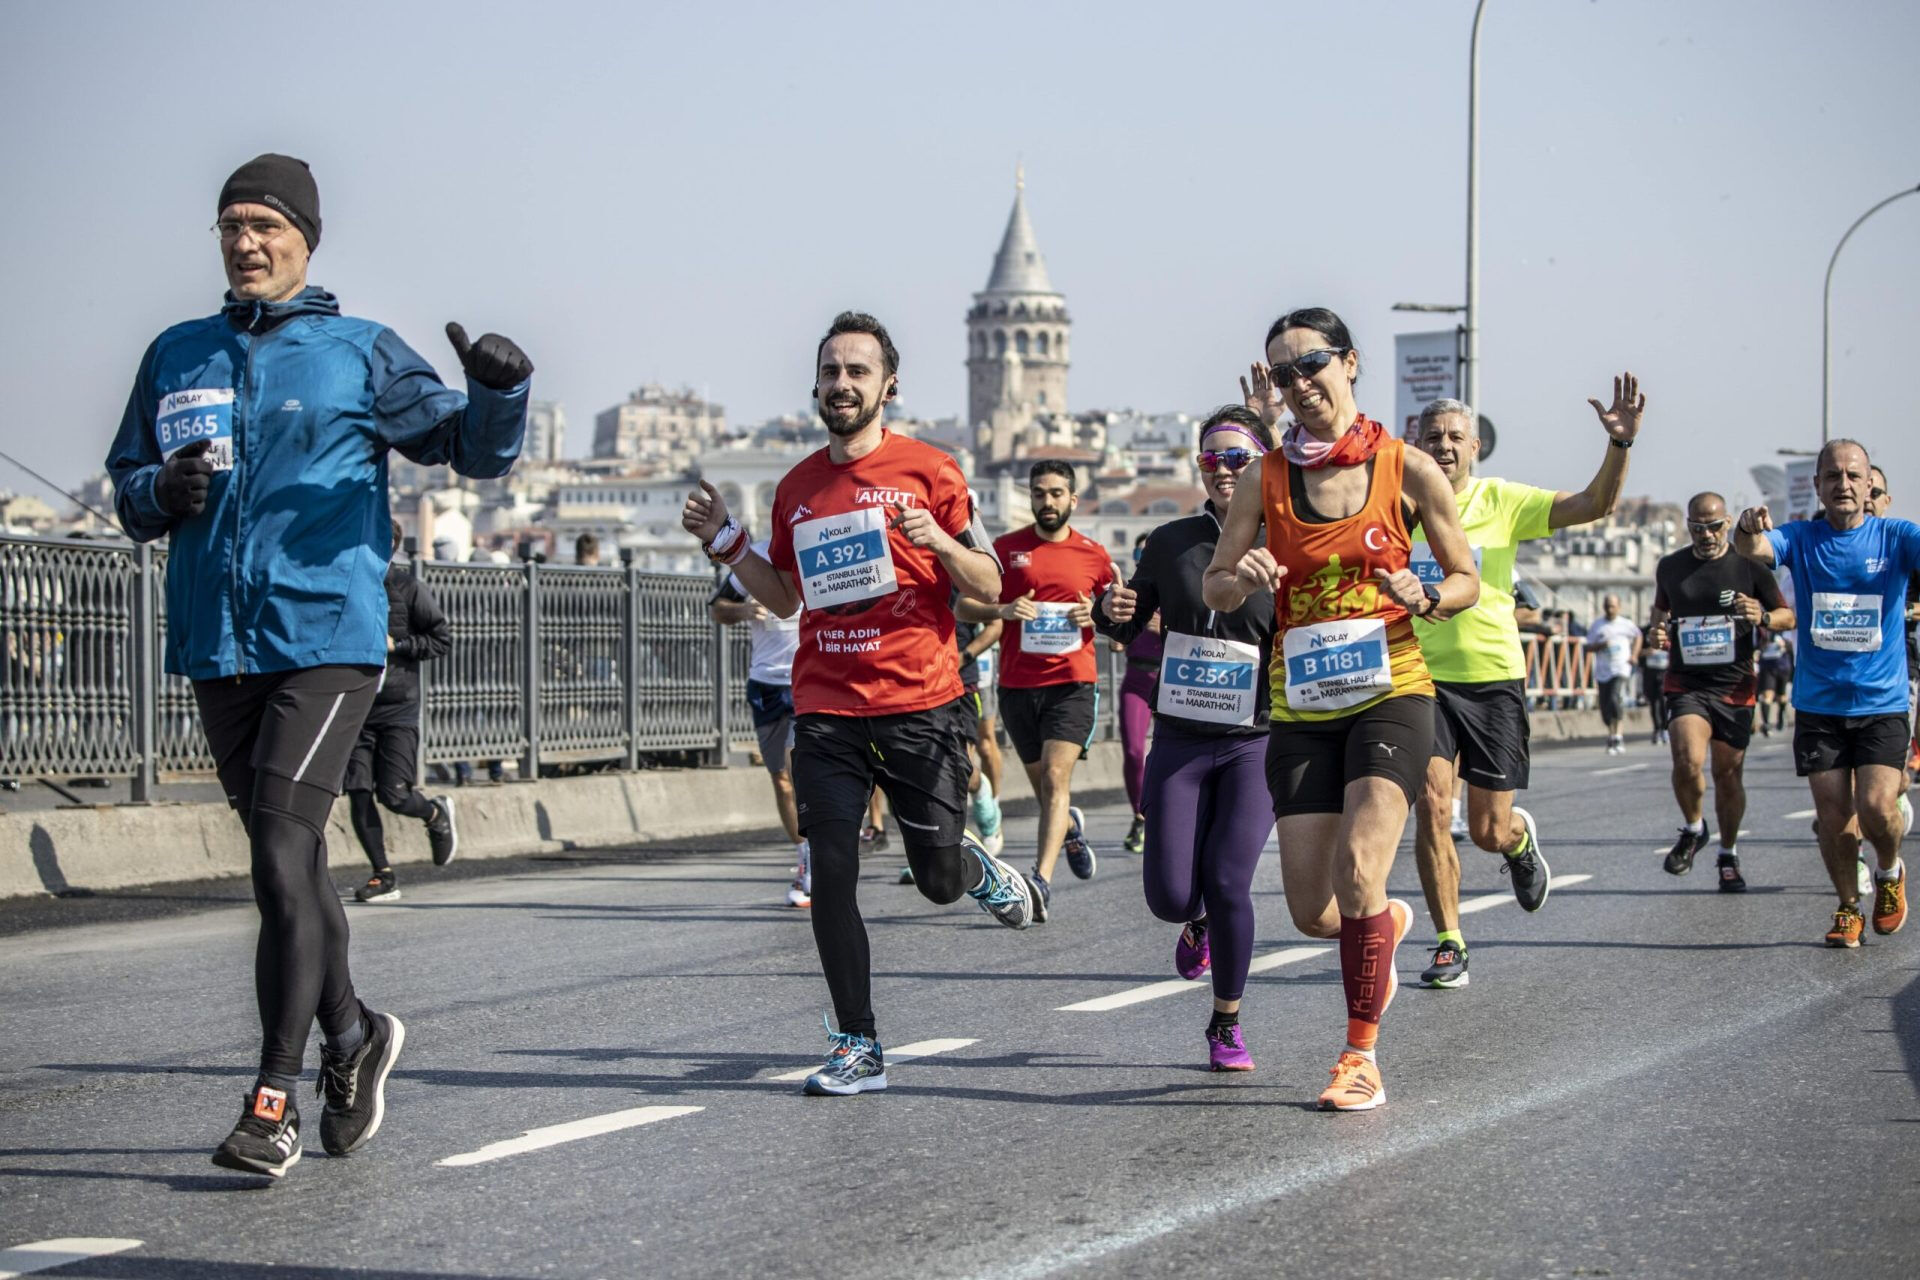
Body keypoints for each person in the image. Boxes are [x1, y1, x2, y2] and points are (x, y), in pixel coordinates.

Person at [105, 153, 531, 1176]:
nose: (247, 242)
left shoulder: (361, 352)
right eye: (231, 225)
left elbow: (465, 451)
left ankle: (271, 1100)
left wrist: (499, 394)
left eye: (266, 225)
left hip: (329, 640)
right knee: (287, 864)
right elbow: (125, 485)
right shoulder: (178, 353)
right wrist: (161, 488)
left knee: (277, 852)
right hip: (218, 639)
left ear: (307, 239)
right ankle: (355, 1035)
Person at [679, 311, 1034, 1096]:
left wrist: (935, 542)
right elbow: (783, 598)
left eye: (858, 372)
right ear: (815, 385)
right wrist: (728, 544)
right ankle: (858, 1043)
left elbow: (989, 585)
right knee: (831, 872)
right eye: (831, 372)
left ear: (888, 386)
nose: (842, 385)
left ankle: (970, 866)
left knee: (934, 878)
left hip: (919, 702)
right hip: (827, 704)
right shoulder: (799, 488)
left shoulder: (932, 472)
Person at [1205, 307, 1478, 1110]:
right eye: (1283, 375)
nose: (1299, 386)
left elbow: (1465, 579)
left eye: (1312, 365)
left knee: (1360, 869)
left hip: (1392, 690)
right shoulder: (1265, 479)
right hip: (1303, 702)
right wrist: (1244, 576)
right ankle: (1384, 923)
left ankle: (1359, 1056)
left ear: (1350, 364)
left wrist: (1424, 594)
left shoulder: (1409, 468)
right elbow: (1217, 586)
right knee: (1313, 907)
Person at [1401, 382, 1644, 988]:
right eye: (1434, 438)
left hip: (1491, 681)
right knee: (1432, 807)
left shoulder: (1501, 500)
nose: (1445, 447)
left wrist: (1620, 442)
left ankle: (1516, 841)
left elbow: (1594, 504)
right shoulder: (1395, 506)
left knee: (1486, 829)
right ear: (1416, 445)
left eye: (1456, 437)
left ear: (1476, 446)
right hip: (1417, 676)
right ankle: (1449, 942)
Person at [1097, 406, 1277, 1069]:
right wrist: (1109, 609)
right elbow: (1128, 618)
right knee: (1171, 895)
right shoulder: (1171, 540)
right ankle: (1194, 923)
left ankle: (1226, 1021)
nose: (1224, 470)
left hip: (1255, 740)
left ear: (1262, 462)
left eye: (1238, 458)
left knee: (1230, 881)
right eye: (1212, 458)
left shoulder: (1284, 539)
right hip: (1181, 734)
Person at [1734, 438, 1919, 946]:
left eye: (1853, 476)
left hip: (1881, 703)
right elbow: (1754, 550)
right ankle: (1847, 907)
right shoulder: (1802, 537)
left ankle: (1888, 870)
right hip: (1819, 705)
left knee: (1878, 807)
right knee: (1834, 818)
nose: (1843, 485)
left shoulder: (1897, 537)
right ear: (1817, 486)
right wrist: (1747, 527)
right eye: (1832, 476)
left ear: (1869, 486)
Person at [966, 460, 1116, 920]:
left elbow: (1120, 616)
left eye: (1056, 493)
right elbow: (964, 602)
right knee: (1045, 788)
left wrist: (1099, 618)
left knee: (1055, 778)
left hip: (1071, 684)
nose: (1046, 501)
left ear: (1072, 499)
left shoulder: (1094, 555)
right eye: (1039, 493)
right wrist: (1005, 610)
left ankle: (1040, 882)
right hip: (1017, 686)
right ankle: (1068, 825)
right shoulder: (1007, 550)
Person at [1648, 492, 1792, 892]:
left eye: (1713, 527)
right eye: (1697, 527)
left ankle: (1728, 852)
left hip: (1735, 685)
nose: (1706, 535)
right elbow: (1658, 619)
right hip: (1686, 683)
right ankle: (1694, 828)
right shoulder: (1672, 567)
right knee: (1686, 759)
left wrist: (1761, 615)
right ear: (1688, 525)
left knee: (1728, 776)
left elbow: (1787, 615)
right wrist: (1657, 633)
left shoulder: (1750, 566)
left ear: (1727, 523)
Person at [346, 520, 458, 904]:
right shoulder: (347, 586)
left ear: (390, 547)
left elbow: (441, 639)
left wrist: (400, 645)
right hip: (355, 706)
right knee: (358, 792)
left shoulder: (409, 588)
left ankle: (434, 813)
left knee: (393, 795)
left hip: (397, 707)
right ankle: (382, 874)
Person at [710, 536, 808, 907]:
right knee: (781, 780)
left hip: (807, 680)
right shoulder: (755, 559)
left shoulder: (815, 547)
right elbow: (718, 609)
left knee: (796, 765)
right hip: (765, 684)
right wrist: (745, 611)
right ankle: (803, 856)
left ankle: (817, 859)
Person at [1118, 531, 1161, 854]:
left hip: (1172, 679)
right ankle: (1140, 817)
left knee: (1167, 754)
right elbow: (1116, 643)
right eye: (1139, 552)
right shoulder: (1130, 592)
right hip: (1136, 677)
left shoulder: (1177, 589)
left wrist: (1168, 625)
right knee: (1134, 752)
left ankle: (1168, 815)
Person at [1585, 595, 1642, 753]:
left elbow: (1638, 636)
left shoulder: (1625, 624)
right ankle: (1611, 734)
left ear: (1619, 607)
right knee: (1605, 706)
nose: (1610, 609)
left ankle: (1618, 735)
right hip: (1604, 670)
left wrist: (1634, 655)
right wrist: (1601, 645)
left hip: (1621, 668)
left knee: (1614, 698)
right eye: (1607, 606)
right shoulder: (1598, 625)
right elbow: (1588, 647)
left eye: (1613, 606)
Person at [1755, 628, 1793, 736]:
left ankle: (1781, 715)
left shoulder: (1785, 629)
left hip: (1783, 667)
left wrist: (1784, 644)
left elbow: (1793, 645)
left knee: (1781, 697)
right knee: (1767, 696)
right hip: (1767, 667)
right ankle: (1766, 724)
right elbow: (1755, 645)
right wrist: (1760, 648)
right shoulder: (1761, 629)